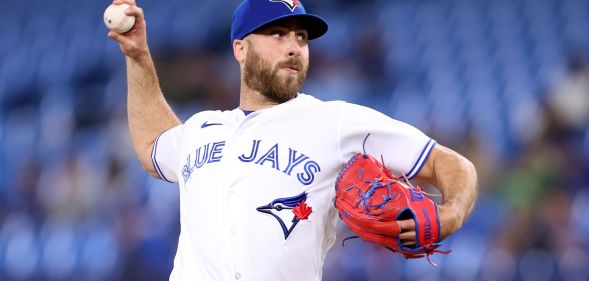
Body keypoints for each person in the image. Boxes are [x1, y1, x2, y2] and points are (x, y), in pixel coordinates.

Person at [107, 0, 478, 280]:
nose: (293, 47)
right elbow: (151, 145)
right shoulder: (203, 127)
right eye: (277, 34)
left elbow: (450, 163)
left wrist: (452, 212)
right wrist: (137, 55)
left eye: (301, 37)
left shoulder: (335, 121)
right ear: (240, 48)